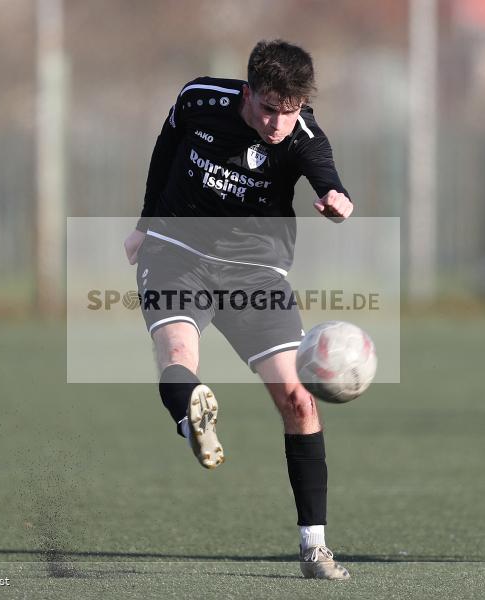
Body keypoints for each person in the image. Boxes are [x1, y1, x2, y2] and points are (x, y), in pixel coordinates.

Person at [123, 39, 353, 580]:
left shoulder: (302, 136)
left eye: (289, 112)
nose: (277, 123)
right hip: (177, 252)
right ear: (248, 94)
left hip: (255, 272)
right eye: (269, 108)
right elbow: (166, 145)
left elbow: (329, 177)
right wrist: (145, 222)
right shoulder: (200, 99)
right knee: (179, 351)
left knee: (298, 400)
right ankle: (191, 415)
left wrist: (337, 202)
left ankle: (314, 547)